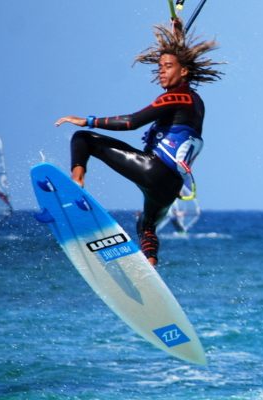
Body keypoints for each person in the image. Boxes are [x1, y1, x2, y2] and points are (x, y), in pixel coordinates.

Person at [55, 21, 223, 267]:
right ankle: (151, 266)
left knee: (83, 139)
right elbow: (181, 64)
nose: (161, 72)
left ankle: (76, 186)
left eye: (168, 67)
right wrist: (178, 39)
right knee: (146, 226)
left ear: (184, 70)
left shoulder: (175, 97)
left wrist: (87, 121)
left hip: (153, 170)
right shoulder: (195, 101)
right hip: (172, 187)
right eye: (159, 68)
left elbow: (132, 122)